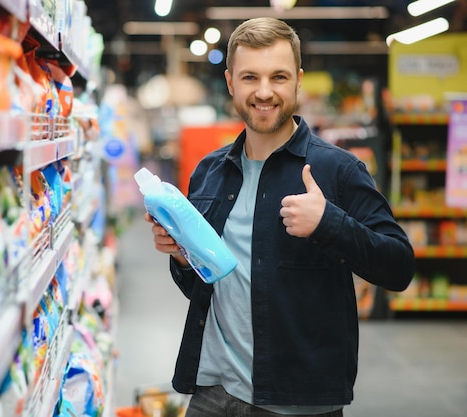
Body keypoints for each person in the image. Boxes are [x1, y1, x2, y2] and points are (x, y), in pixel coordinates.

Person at [144, 17, 415, 417]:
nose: (264, 92)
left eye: (279, 77)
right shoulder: (209, 172)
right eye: (251, 77)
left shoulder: (338, 170)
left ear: (298, 81)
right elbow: (208, 286)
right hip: (211, 392)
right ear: (231, 82)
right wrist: (183, 258)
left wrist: (329, 223)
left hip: (296, 401)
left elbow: (400, 267)